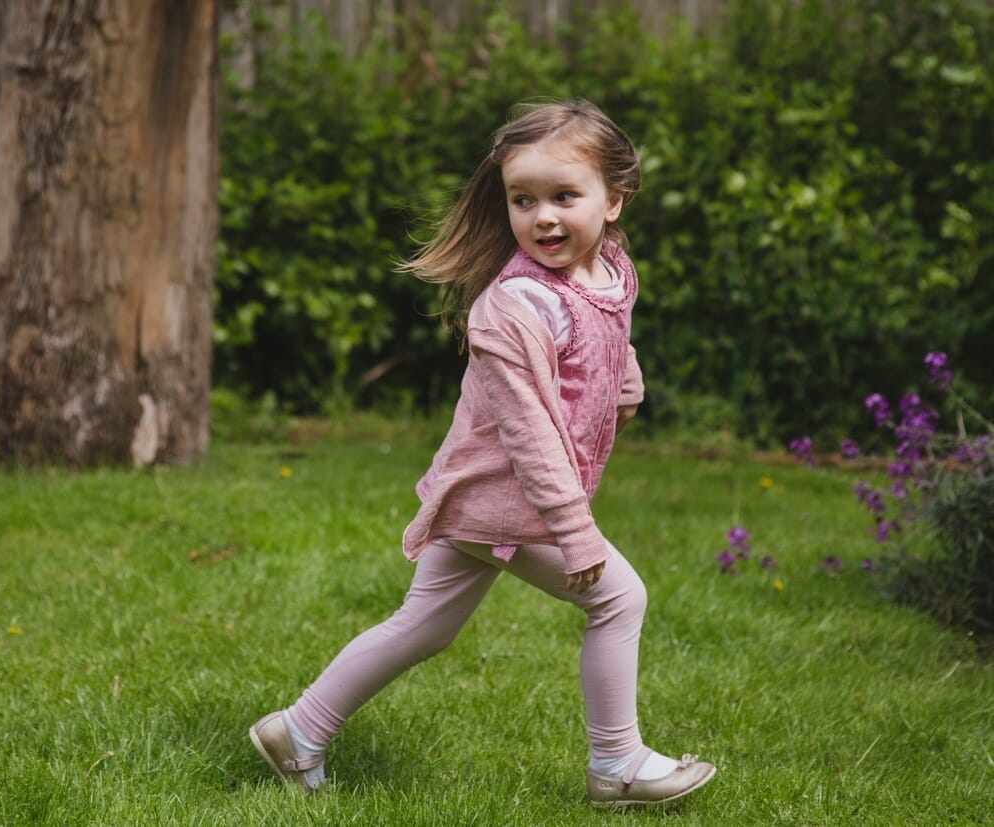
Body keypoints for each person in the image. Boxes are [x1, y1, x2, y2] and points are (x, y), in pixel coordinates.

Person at [249, 99, 716, 808]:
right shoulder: (514, 306)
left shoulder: (610, 269)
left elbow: (608, 331)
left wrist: (625, 376)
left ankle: (298, 729)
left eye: (565, 196)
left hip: (491, 493)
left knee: (424, 625)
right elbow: (528, 431)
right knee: (619, 597)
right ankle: (616, 763)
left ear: (615, 199)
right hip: (503, 498)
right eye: (523, 200)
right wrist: (574, 528)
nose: (543, 217)